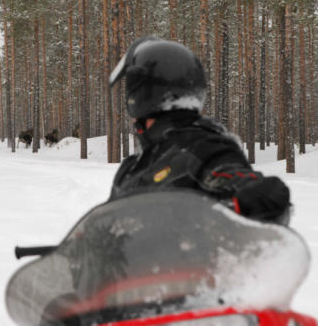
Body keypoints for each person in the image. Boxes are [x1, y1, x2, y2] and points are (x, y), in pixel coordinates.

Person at [108, 37, 290, 225]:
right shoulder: (132, 167)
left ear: (141, 95)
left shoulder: (204, 149)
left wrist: (254, 194)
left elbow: (232, 176)